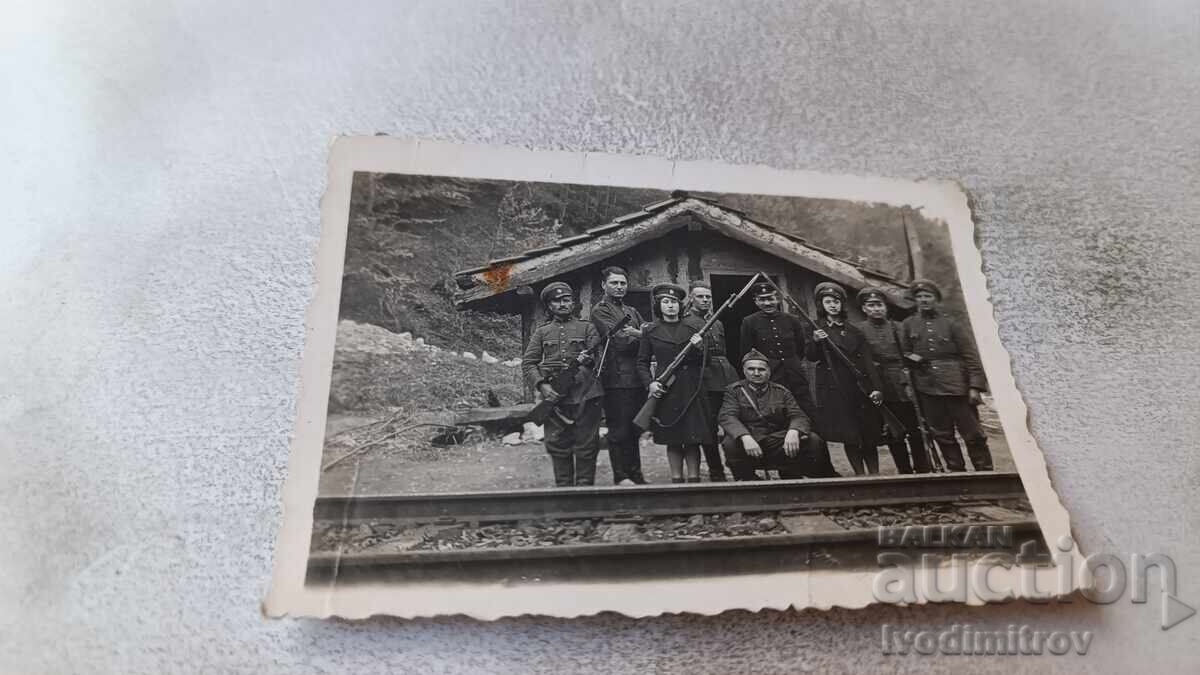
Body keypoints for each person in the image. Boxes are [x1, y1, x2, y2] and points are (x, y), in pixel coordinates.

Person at [899, 279, 994, 472]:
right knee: (942, 434)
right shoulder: (908, 324)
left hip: (957, 386)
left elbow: (970, 356)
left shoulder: (952, 324)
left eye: (928, 296)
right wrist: (909, 379)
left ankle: (984, 472)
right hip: (927, 387)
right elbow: (904, 354)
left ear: (936, 300)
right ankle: (956, 472)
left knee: (973, 434)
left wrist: (975, 386)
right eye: (919, 297)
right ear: (915, 300)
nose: (924, 300)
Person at [521, 282, 604, 487]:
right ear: (549, 306)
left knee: (586, 445)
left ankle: (584, 494)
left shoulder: (587, 328)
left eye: (566, 300)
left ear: (573, 303)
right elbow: (529, 363)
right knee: (558, 445)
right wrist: (542, 385)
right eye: (557, 301)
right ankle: (564, 492)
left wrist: (589, 360)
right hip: (555, 397)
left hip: (586, 395)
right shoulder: (542, 332)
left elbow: (602, 360)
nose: (563, 304)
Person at [637, 283, 715, 483]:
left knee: (692, 438)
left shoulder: (694, 328)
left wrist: (698, 348)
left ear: (681, 306)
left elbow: (707, 362)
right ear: (659, 305)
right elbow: (642, 362)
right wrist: (650, 384)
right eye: (666, 302)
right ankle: (676, 481)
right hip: (667, 388)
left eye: (674, 302)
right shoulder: (650, 330)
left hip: (691, 387)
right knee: (673, 438)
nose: (671, 306)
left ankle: (694, 480)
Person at [718, 349, 838, 480]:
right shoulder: (734, 391)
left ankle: (812, 476)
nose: (756, 373)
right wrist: (744, 436)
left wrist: (794, 431)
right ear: (744, 371)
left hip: (776, 441)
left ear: (769, 371)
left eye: (761, 369)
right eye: (751, 369)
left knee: (814, 440)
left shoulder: (781, 391)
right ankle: (747, 478)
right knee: (730, 443)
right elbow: (727, 416)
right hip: (751, 440)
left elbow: (798, 415)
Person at [806, 281, 885, 475]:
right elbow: (811, 356)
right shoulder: (816, 328)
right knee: (849, 435)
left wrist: (875, 388)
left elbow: (867, 361)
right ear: (821, 305)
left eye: (836, 301)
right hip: (834, 388)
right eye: (828, 301)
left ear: (842, 304)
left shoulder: (854, 331)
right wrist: (816, 341)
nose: (833, 305)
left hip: (858, 387)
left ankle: (875, 475)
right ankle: (859, 475)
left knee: (867, 433)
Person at [854, 286, 927, 474]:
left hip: (904, 383)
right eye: (871, 305)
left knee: (915, 429)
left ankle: (923, 469)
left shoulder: (899, 327)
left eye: (879, 305)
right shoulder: (859, 330)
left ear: (886, 307)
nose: (876, 309)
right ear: (864, 309)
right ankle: (904, 471)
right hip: (880, 384)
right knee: (894, 431)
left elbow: (910, 353)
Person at [590, 266, 649, 485]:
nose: (619, 287)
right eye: (614, 283)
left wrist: (640, 335)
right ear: (604, 285)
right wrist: (642, 335)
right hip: (616, 378)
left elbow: (648, 334)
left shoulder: (632, 311)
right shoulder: (600, 311)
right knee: (619, 429)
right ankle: (621, 476)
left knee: (634, 428)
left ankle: (636, 474)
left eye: (623, 283)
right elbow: (620, 341)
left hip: (636, 378)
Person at [683, 279, 738, 481]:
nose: (705, 300)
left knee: (734, 423)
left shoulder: (717, 321)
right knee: (709, 428)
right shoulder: (686, 322)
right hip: (705, 380)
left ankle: (738, 467)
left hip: (727, 377)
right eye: (700, 296)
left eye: (707, 297)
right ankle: (717, 472)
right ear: (691, 298)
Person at [739, 281, 817, 417]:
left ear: (778, 299)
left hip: (794, 372)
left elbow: (800, 347)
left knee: (803, 404)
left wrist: (793, 363)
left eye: (770, 298)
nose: (767, 303)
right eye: (762, 300)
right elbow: (746, 352)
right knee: (775, 408)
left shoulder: (792, 320)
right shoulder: (749, 322)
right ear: (756, 301)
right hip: (770, 374)